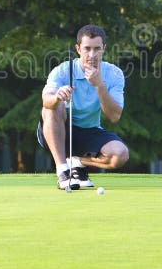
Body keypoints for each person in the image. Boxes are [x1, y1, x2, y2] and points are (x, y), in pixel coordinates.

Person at [37, 24, 129, 190]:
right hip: (60, 130)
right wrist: (57, 96)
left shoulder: (114, 74)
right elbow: (46, 101)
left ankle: (76, 161)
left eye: (97, 49)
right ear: (78, 49)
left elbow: (114, 116)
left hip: (89, 130)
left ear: (104, 49)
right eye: (87, 49)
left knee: (120, 155)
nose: (92, 55)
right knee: (53, 107)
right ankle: (63, 172)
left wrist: (99, 85)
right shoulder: (63, 71)